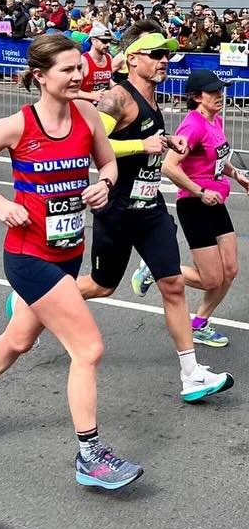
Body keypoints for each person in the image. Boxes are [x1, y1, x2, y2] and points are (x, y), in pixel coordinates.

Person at [0, 34, 142, 491]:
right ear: (40, 76)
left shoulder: (89, 116)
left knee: (18, 340)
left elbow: (108, 164)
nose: (79, 76)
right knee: (88, 348)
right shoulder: (15, 125)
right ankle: (90, 455)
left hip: (69, 250)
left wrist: (104, 185)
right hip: (28, 254)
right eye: (67, 70)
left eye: (80, 68)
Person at [80, 26, 231, 401]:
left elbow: (149, 147)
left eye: (166, 55)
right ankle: (35, 297)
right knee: (102, 285)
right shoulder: (118, 98)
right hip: (117, 209)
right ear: (132, 58)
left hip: (150, 208)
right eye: (156, 54)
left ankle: (191, 374)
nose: (164, 61)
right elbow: (92, 146)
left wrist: (166, 142)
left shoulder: (153, 100)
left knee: (174, 285)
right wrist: (142, 143)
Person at [161, 68, 248, 349]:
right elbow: (169, 166)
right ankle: (156, 268)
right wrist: (200, 191)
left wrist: (235, 174)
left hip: (216, 201)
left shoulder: (216, 119)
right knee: (212, 279)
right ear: (197, 97)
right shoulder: (193, 126)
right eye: (213, 92)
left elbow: (218, 157)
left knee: (230, 270)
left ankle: (198, 323)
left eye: (220, 90)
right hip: (194, 204)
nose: (220, 95)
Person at [77, 23, 117, 101]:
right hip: (85, 107)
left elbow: (107, 80)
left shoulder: (109, 57)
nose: (108, 44)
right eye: (104, 41)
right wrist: (92, 95)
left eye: (109, 41)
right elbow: (72, 91)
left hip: (103, 107)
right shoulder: (83, 60)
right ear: (93, 40)